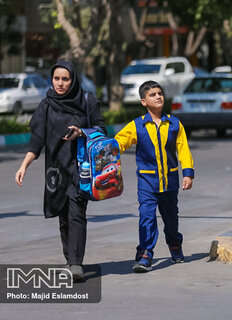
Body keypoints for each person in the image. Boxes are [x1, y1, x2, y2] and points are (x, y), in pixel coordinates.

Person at [15, 60, 106, 281]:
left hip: (80, 167)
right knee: (63, 217)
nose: (60, 83)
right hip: (56, 170)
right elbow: (37, 140)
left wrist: (82, 132)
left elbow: (101, 129)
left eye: (65, 79)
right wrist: (23, 165)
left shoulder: (86, 100)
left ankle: (76, 263)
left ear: (73, 79)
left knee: (77, 214)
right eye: (57, 79)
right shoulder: (47, 105)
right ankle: (70, 259)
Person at [114, 80, 194, 273]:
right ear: (143, 101)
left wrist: (188, 174)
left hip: (170, 181)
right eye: (152, 95)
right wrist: (99, 144)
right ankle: (145, 255)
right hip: (147, 182)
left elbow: (183, 150)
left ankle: (174, 243)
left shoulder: (174, 124)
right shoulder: (137, 126)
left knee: (171, 218)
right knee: (146, 217)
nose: (158, 97)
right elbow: (118, 143)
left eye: (160, 93)